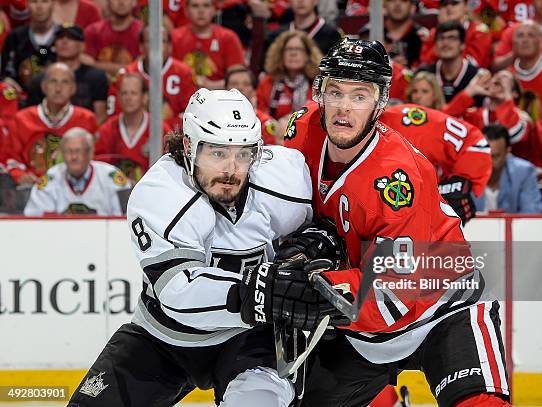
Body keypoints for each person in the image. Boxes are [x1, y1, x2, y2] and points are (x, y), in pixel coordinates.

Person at [67, 88, 342, 407]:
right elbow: (177, 291)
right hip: (164, 339)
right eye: (217, 153)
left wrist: (316, 242)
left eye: (242, 153)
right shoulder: (161, 194)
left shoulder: (282, 178)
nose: (231, 169)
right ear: (188, 146)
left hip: (250, 337)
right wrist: (262, 291)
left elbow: (330, 223)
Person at [284, 38, 510, 407]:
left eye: (359, 95)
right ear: (319, 93)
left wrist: (312, 288)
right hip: (360, 329)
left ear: (380, 102)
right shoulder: (301, 130)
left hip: (442, 305)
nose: (343, 108)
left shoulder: (399, 179)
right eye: (335, 92)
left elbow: (393, 299)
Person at [6, 63, 98, 186]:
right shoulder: (21, 119)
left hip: (74, 188)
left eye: (65, 82)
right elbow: (12, 159)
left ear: (73, 88)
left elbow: (94, 160)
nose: (58, 88)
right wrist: (21, 176)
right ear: (44, 86)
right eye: (53, 81)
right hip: (32, 188)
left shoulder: (87, 119)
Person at [24, 127, 130, 216]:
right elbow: (35, 218)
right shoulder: (51, 179)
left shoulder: (111, 177)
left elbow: (125, 218)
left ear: (90, 152)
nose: (73, 157)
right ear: (62, 154)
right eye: (68, 151)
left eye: (78, 151)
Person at [108, 27, 196, 129]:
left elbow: (192, 115)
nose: (156, 46)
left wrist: (165, 129)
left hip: (174, 137)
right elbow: (115, 116)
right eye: (151, 41)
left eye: (162, 41)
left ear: (170, 46)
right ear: (141, 47)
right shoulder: (125, 75)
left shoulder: (184, 73)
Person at [95, 73, 172, 183]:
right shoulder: (106, 130)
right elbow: (98, 168)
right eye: (124, 93)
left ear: (144, 97)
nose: (128, 98)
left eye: (133, 93)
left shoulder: (160, 129)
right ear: (118, 97)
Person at [26, 24, 109, 124]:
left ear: (82, 46)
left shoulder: (96, 77)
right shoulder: (40, 79)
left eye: (71, 38)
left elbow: (100, 118)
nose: (64, 42)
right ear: (54, 45)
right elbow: (30, 117)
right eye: (60, 37)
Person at [171, 0, 245, 90]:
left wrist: (211, 85)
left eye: (206, 6)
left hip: (218, 97)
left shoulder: (228, 37)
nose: (201, 11)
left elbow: (239, 79)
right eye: (195, 6)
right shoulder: (174, 38)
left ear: (214, 10)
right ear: (186, 11)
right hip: (181, 96)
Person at [473, 124, 542, 213]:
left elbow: (531, 214)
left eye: (495, 156)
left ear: (507, 152)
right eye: (485, 156)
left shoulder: (524, 172)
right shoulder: (465, 174)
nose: (488, 162)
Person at [257, 30, 321, 121]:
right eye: (289, 49)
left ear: (308, 55)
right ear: (280, 55)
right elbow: (260, 116)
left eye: (298, 49)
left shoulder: (319, 84)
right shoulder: (267, 83)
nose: (293, 54)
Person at [418, 20, 480, 103]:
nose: (445, 43)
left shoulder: (476, 77)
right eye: (441, 38)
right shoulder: (424, 73)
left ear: (462, 45)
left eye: (451, 38)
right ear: (435, 45)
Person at [1, 0, 58, 90]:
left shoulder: (64, 37)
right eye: (34, 2)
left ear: (53, 4)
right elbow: (5, 71)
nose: (39, 7)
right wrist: (7, 80)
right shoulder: (15, 36)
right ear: (27, 5)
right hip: (21, 98)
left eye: (45, 1)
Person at [419, 0, 493, 68]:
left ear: (466, 6)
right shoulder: (435, 32)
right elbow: (425, 63)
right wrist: (443, 30)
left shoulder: (479, 31)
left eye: (454, 3)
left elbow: (471, 65)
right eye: (444, 4)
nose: (449, 7)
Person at [224, 65, 282, 145]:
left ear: (254, 91)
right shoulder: (213, 117)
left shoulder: (265, 123)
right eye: (234, 83)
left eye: (246, 84)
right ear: (225, 89)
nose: (240, 87)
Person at [83, 0, 143, 77]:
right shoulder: (92, 31)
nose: (121, 2)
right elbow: (85, 64)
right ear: (108, 1)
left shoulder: (142, 32)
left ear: (134, 2)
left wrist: (96, 64)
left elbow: (139, 69)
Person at [265, 0, 341, 57]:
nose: (300, 1)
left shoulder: (333, 36)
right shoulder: (277, 36)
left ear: (316, 1)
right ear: (289, 2)